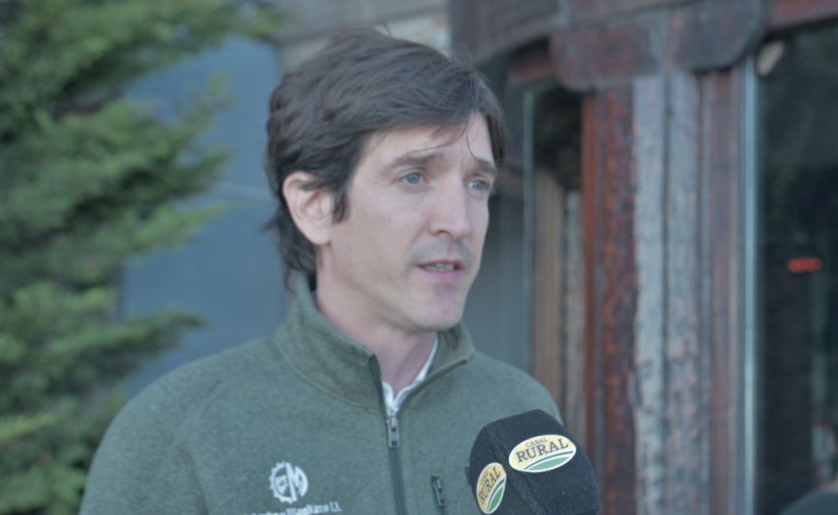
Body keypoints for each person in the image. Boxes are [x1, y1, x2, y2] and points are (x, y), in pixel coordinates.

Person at [79, 28, 560, 515]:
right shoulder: (178, 433)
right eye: (414, 177)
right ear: (314, 206)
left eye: (477, 184)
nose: (459, 222)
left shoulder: (523, 417)